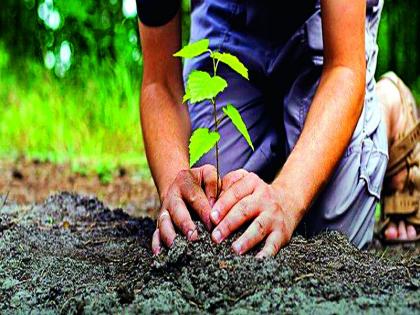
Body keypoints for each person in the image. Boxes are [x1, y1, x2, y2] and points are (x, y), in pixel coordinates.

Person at [137, 0, 419, 257]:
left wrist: (287, 197)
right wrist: (175, 180)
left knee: (331, 237)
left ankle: (387, 106)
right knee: (212, 210)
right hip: (227, 14)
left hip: (326, 17)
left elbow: (344, 68)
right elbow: (159, 82)